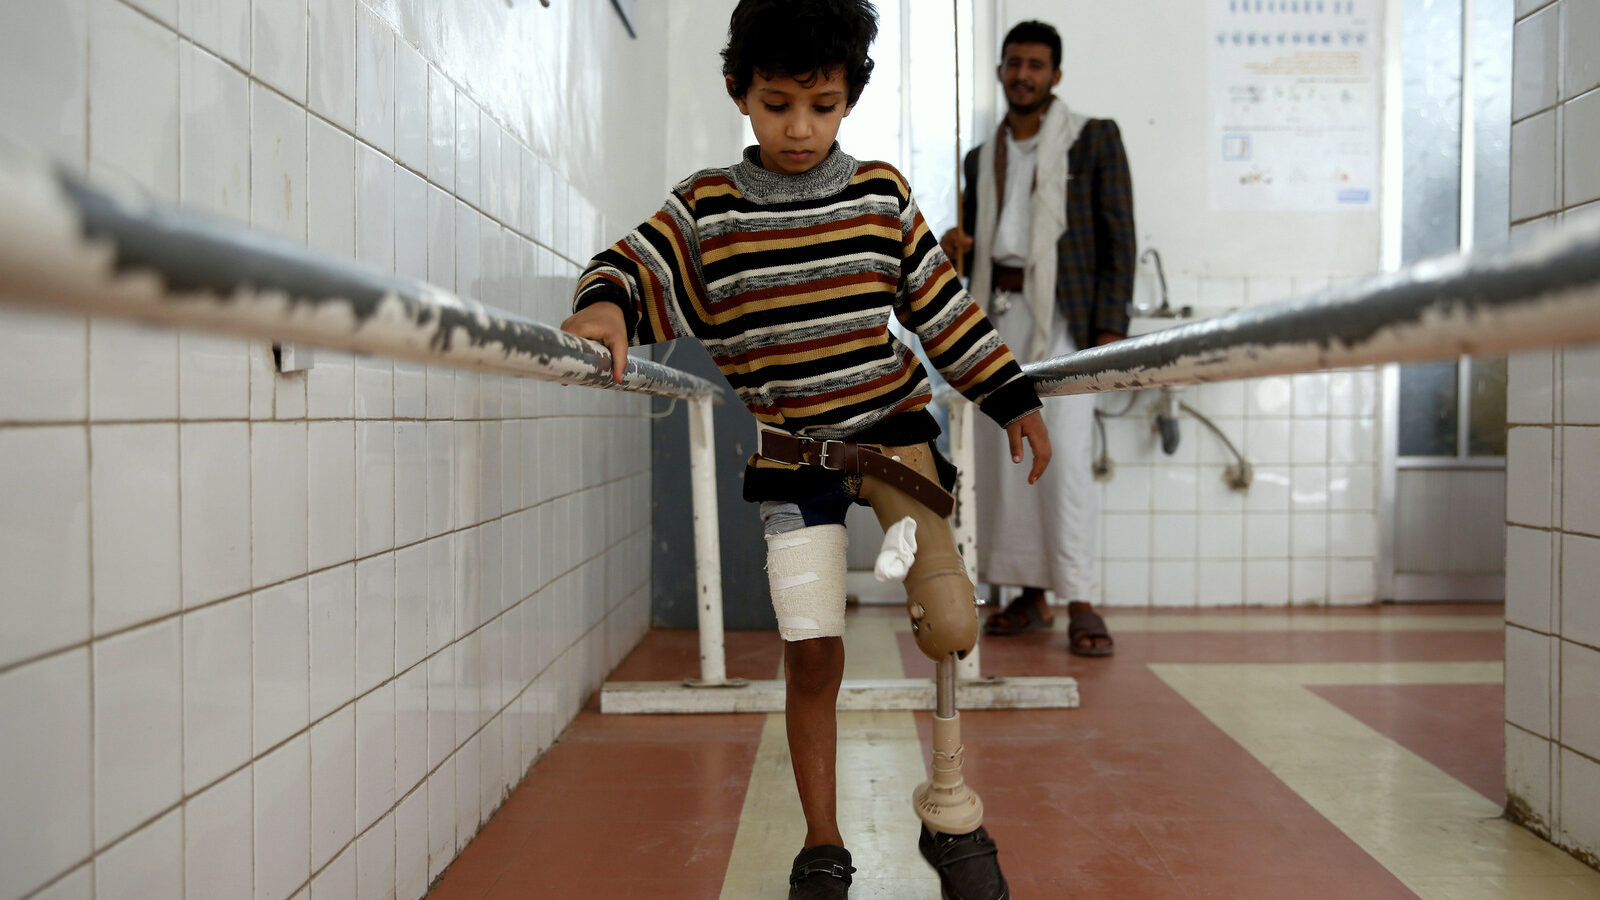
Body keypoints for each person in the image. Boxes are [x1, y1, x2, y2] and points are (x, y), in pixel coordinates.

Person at [561, 3, 1049, 897]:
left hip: (895, 435)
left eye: (821, 106)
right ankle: (823, 842)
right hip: (794, 454)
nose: (798, 128)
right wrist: (607, 308)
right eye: (776, 103)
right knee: (812, 647)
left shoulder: (880, 195)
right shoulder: (710, 211)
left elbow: (942, 312)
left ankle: (950, 810)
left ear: (849, 98)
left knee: (949, 622)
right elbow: (631, 265)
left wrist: (1011, 395)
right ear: (737, 93)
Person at [940, 20, 1134, 657]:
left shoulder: (1092, 139)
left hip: (1070, 323)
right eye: (1013, 62)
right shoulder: (981, 156)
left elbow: (1118, 238)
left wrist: (1109, 336)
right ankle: (1027, 595)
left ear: (1056, 75)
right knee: (1006, 461)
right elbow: (984, 252)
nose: (1023, 74)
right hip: (998, 318)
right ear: (999, 70)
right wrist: (955, 253)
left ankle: (1079, 598)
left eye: (1036, 64)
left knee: (1068, 462)